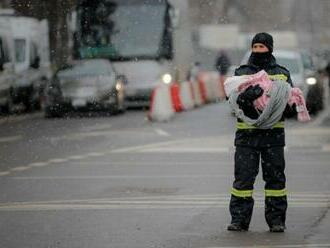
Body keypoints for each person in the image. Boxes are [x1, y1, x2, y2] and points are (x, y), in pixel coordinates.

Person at [227, 32, 296, 233]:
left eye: (262, 47)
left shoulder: (282, 73)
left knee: (275, 180)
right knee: (243, 181)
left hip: (273, 137)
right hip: (246, 138)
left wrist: (282, 105)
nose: (258, 51)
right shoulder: (242, 72)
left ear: (270, 49)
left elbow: (291, 103)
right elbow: (231, 102)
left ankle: (276, 221)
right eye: (255, 47)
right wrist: (245, 98)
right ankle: (239, 220)